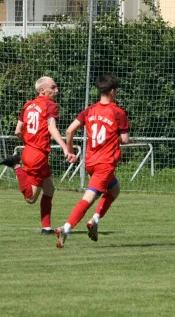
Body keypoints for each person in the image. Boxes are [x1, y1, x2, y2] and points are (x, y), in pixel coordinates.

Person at [55, 74, 129, 248]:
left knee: (115, 189)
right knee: (88, 198)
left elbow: (69, 130)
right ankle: (66, 227)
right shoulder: (118, 112)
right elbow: (124, 140)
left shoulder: (89, 110)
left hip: (91, 161)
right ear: (112, 91)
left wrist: (71, 151)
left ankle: (95, 219)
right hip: (105, 163)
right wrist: (113, 139)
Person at [0, 76, 76, 235]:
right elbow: (52, 128)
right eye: (53, 87)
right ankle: (15, 166)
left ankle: (46, 228)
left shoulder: (28, 105)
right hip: (37, 155)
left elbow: (18, 130)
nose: (56, 90)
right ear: (42, 90)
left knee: (49, 189)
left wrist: (30, 141)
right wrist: (66, 148)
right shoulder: (50, 105)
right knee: (31, 199)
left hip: (30, 150)